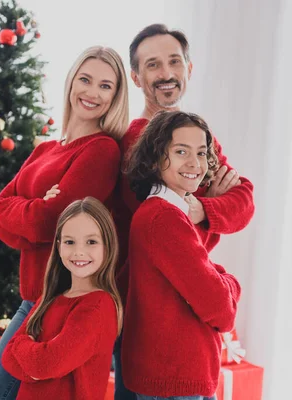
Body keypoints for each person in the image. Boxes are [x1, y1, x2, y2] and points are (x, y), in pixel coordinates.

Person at [0, 45, 129, 400]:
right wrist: (34, 211)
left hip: (60, 301)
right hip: (32, 300)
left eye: (106, 86)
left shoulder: (101, 150)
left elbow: (48, 225)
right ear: (71, 81)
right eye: (85, 79)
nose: (92, 92)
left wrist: (29, 214)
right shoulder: (46, 150)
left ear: (116, 96)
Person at [112, 24, 255, 400]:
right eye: (154, 64)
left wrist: (200, 208)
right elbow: (165, 228)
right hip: (151, 320)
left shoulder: (192, 136)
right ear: (137, 77)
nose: (166, 73)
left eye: (175, 61)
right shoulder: (137, 141)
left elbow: (244, 200)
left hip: (186, 304)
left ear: (189, 69)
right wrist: (224, 277)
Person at [122, 110, 241, 400]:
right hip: (175, 380)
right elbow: (221, 311)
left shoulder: (166, 212)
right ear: (154, 159)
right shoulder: (163, 218)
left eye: (201, 153)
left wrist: (216, 277)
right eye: (180, 151)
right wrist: (231, 281)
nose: (195, 163)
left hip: (173, 377)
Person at [1, 197, 123, 400]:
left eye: (91, 242)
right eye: (69, 242)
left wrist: (22, 346)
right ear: (58, 246)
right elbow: (7, 358)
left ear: (107, 246)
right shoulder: (48, 299)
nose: (79, 252)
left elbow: (47, 364)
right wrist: (38, 360)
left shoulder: (98, 306)